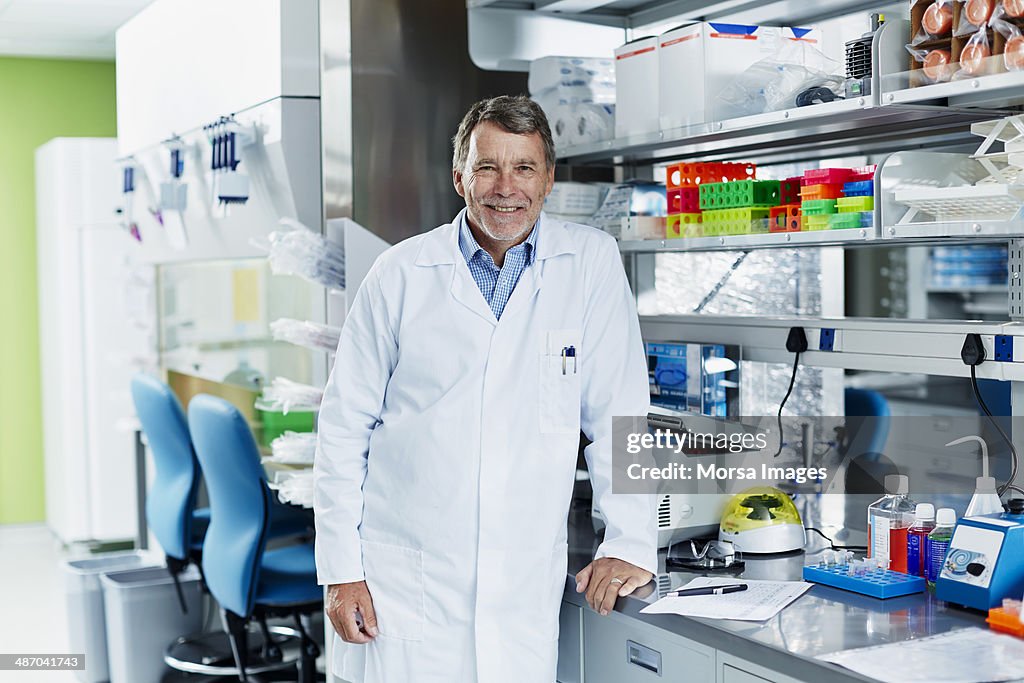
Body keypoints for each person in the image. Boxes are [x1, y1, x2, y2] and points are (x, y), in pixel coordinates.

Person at [314, 94, 656, 682]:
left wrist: (629, 541)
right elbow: (344, 428)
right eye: (487, 168)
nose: (506, 187)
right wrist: (341, 570)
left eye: (524, 168)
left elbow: (620, 415)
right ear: (459, 177)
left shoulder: (590, 263)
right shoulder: (399, 273)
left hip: (521, 588)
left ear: (548, 179)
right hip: (406, 583)